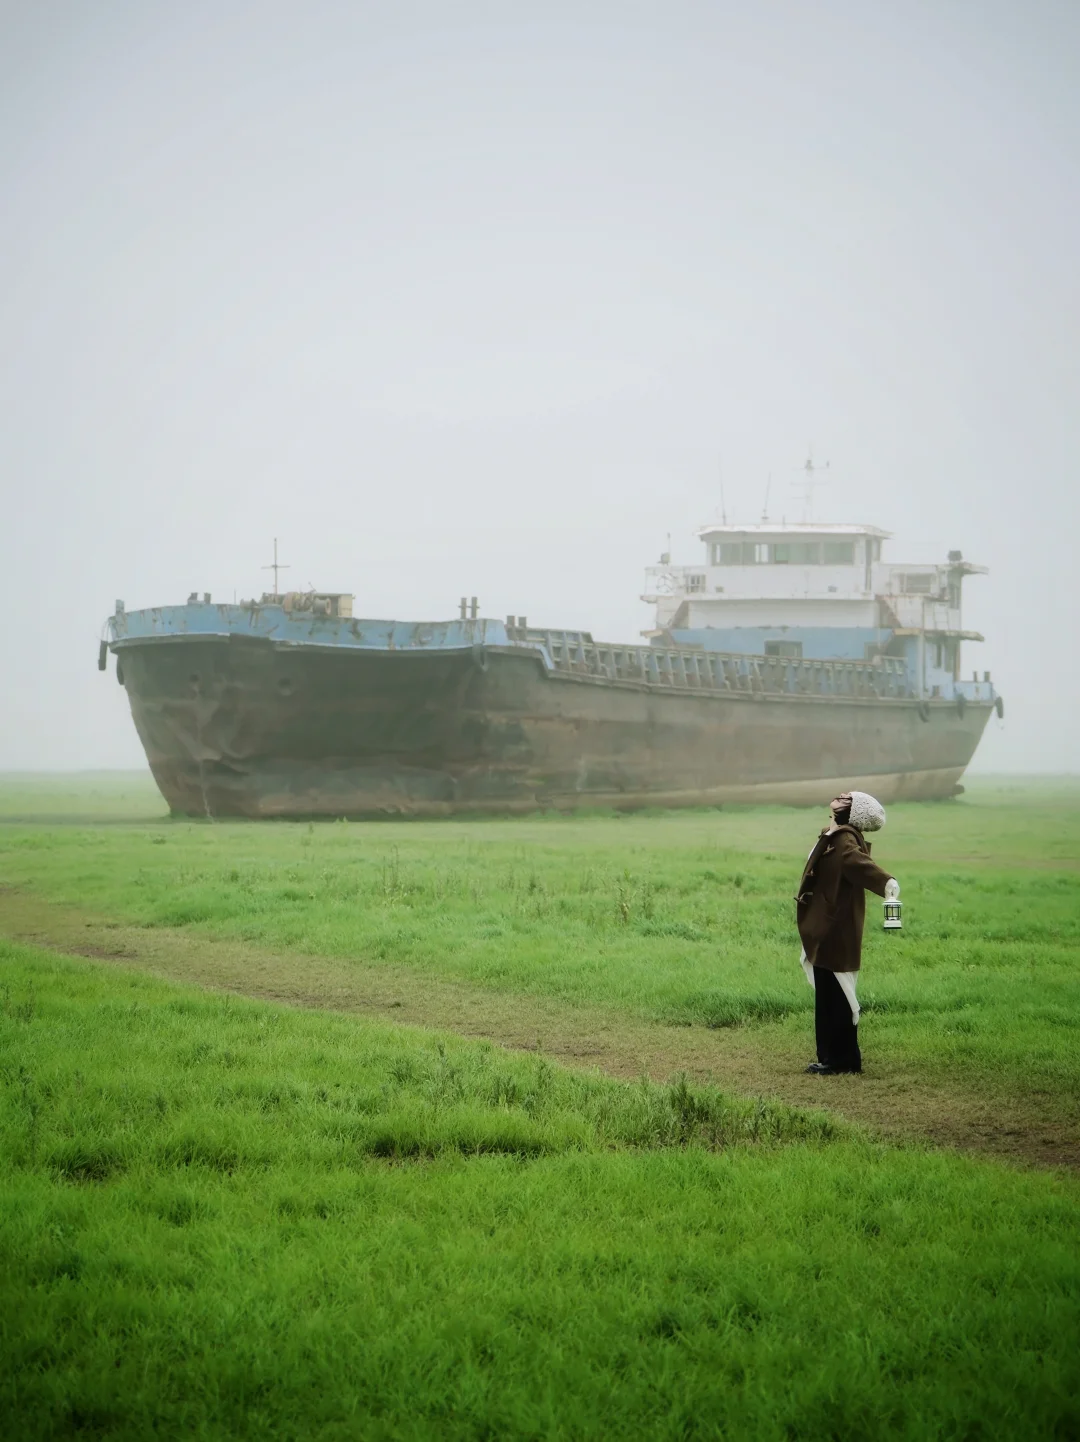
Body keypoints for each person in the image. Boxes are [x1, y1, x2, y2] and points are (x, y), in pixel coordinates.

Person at [794, 790, 899, 1075]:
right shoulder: (837, 834)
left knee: (836, 994)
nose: (841, 796)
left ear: (853, 812)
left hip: (834, 925)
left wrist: (886, 882)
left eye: (847, 798)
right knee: (830, 993)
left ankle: (841, 1061)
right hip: (828, 922)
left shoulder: (844, 839)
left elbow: (858, 863)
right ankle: (834, 1058)